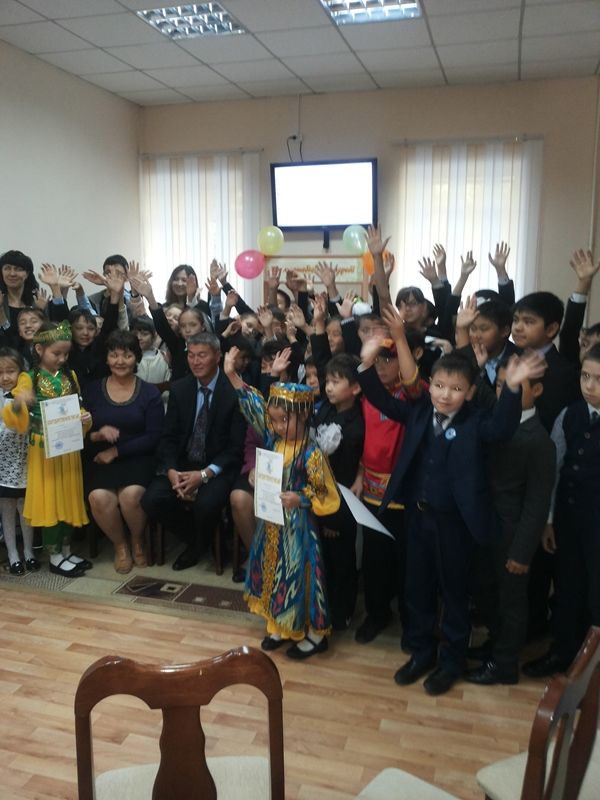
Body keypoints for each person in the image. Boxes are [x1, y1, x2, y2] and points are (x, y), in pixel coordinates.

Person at [358, 339, 545, 695]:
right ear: (429, 385)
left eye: (456, 389)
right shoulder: (417, 412)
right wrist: (365, 365)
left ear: (471, 392)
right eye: (440, 386)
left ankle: (451, 662)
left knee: (455, 594)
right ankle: (421, 652)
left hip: (455, 525)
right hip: (417, 518)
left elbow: (503, 428)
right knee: (417, 588)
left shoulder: (477, 422)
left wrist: (513, 387)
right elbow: (381, 400)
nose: (445, 395)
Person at [224, 346, 340, 659]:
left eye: (283, 420)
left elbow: (327, 493)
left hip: (298, 530)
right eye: (274, 420)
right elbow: (253, 407)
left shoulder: (311, 454)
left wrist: (301, 498)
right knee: (272, 570)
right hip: (271, 523)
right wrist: (232, 374)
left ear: (303, 416)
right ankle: (278, 624)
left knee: (298, 576)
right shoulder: (274, 439)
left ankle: (314, 634)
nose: (276, 426)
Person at [466, 360, 555, 685]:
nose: (506, 392)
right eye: (503, 385)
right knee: (487, 592)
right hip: (486, 528)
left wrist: (521, 552)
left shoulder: (539, 440)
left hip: (512, 536)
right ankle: (495, 644)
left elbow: (536, 504)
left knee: (511, 601)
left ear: (538, 390)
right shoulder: (495, 420)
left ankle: (504, 664)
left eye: (517, 385)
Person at [522, 343, 600, 678]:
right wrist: (550, 519)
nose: (590, 386)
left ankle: (592, 673)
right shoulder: (570, 414)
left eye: (599, 379)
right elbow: (553, 469)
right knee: (568, 588)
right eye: (585, 376)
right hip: (569, 519)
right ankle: (563, 653)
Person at [141, 332, 245, 571]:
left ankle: (198, 546)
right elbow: (168, 438)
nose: (195, 361)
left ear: (217, 357)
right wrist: (171, 470)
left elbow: (235, 448)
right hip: (183, 463)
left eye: (202, 356)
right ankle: (200, 540)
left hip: (217, 466)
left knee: (207, 504)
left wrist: (204, 475)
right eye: (191, 355)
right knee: (152, 500)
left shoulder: (234, 391)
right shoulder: (180, 388)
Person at [2, 321, 92, 577]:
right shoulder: (28, 378)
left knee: (69, 499)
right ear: (39, 349)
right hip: (44, 452)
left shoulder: (69, 376)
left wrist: (85, 418)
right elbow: (13, 417)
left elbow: (76, 406)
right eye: (56, 353)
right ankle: (54, 555)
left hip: (69, 449)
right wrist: (19, 401)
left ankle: (66, 550)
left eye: (65, 354)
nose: (62, 359)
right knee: (52, 501)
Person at [82, 330, 164, 574]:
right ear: (106, 358)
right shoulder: (91, 390)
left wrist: (116, 451)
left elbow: (154, 436)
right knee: (99, 498)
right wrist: (96, 435)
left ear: (136, 358)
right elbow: (79, 432)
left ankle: (137, 540)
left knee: (130, 497)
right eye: (114, 355)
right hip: (100, 458)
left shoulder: (149, 393)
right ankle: (120, 545)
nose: (120, 361)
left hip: (138, 457)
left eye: (127, 355)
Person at [313, 353, 364, 631]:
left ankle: (342, 612)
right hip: (318, 497)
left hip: (340, 506)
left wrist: (334, 518)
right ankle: (323, 608)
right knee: (323, 560)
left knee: (341, 561)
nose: (328, 387)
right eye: (327, 381)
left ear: (355, 387)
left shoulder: (355, 424)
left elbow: (345, 476)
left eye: (336, 382)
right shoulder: (325, 410)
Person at [0, 347, 38, 574]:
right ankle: (13, 554)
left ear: (21, 372)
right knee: (6, 509)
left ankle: (29, 552)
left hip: (25, 462)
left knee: (26, 509)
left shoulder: (27, 394)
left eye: (10, 371)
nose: (5, 377)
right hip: (3, 466)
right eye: (0, 372)